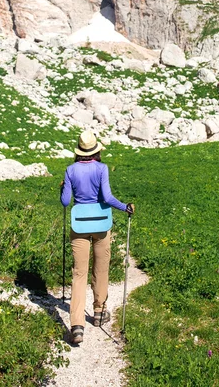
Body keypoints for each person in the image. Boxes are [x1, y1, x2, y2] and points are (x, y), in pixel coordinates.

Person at [61, 129, 134, 345]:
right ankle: (99, 312)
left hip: (79, 224)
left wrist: (63, 189)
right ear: (96, 150)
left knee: (79, 272)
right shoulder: (101, 169)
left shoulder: (70, 170)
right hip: (101, 223)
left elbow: (66, 202)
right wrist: (125, 207)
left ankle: (76, 325)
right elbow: (107, 197)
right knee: (101, 267)